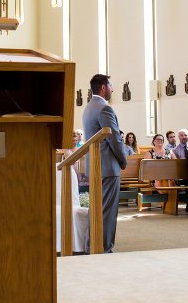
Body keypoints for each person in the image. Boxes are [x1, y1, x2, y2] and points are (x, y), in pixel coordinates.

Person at [82, 74, 127, 254]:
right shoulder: (104, 109)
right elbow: (115, 138)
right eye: (111, 85)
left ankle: (92, 246)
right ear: (103, 87)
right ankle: (104, 249)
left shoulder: (88, 108)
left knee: (96, 209)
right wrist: (123, 160)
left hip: (94, 165)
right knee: (107, 211)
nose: (113, 89)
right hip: (107, 166)